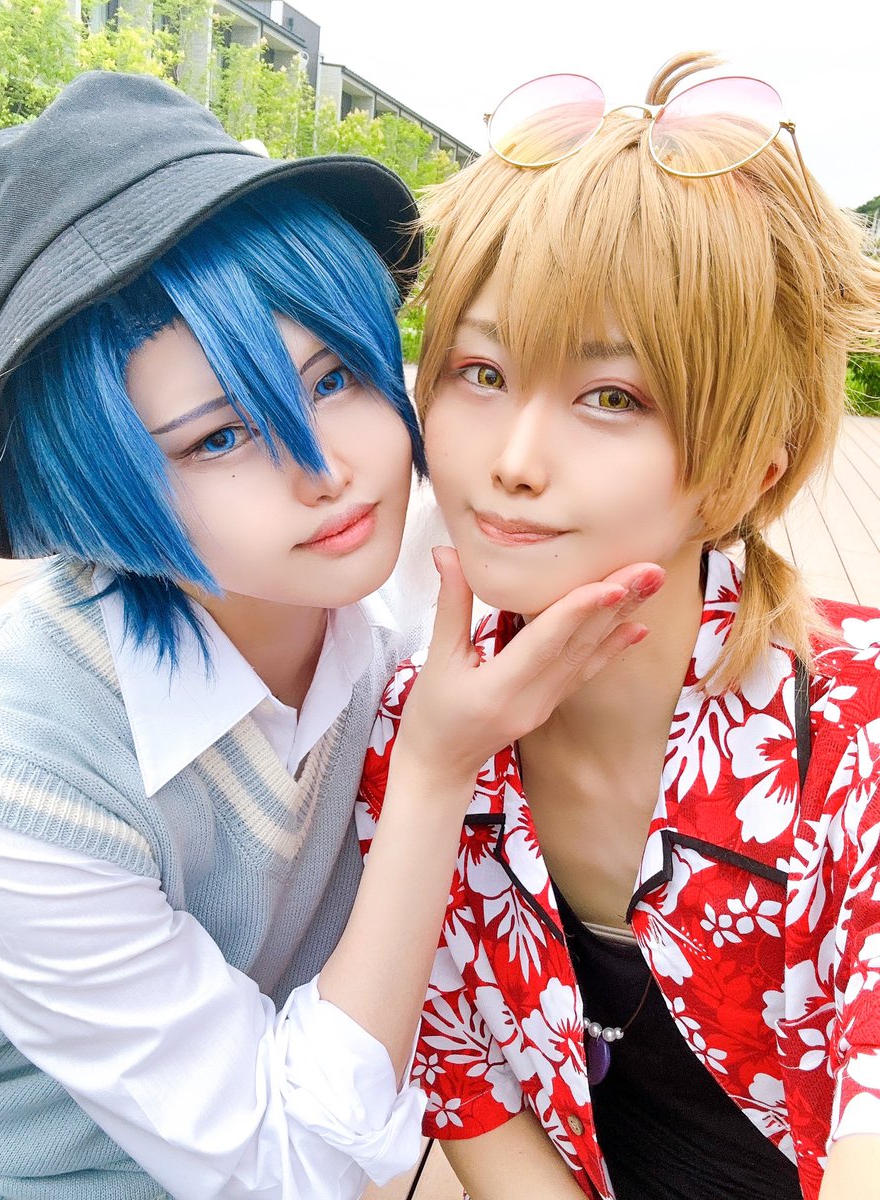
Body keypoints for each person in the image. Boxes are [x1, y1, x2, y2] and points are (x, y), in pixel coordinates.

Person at [0, 72, 655, 1200]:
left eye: (335, 377)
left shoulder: (402, 565)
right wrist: (433, 767)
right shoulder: (26, 783)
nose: (325, 468)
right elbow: (283, 1167)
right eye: (218, 438)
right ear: (88, 486)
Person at [356, 51, 880, 1200]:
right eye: (480, 370)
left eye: (611, 397)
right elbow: (467, 1087)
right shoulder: (414, 738)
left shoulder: (856, 735)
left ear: (748, 467)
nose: (513, 460)